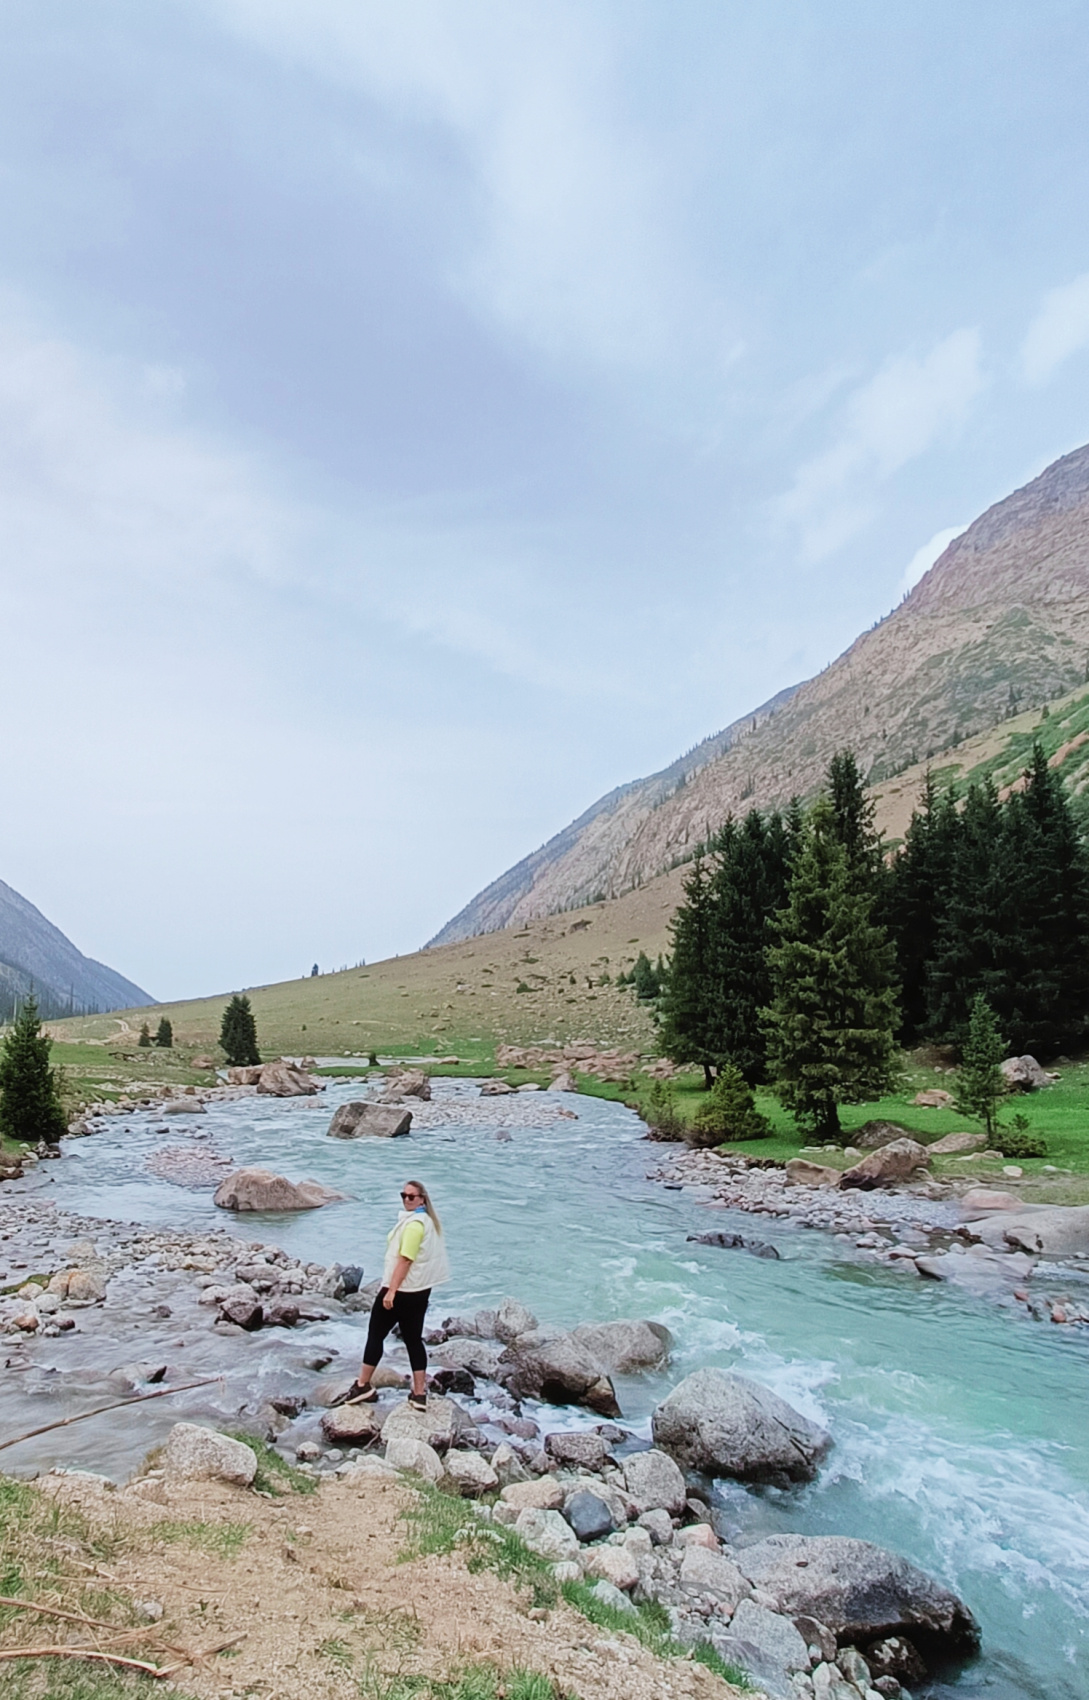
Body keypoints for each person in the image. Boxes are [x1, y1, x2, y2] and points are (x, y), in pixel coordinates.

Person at [335, 1179, 450, 1412]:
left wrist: (391, 1292)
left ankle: (363, 1385)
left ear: (422, 1199)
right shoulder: (428, 1222)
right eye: (403, 1195)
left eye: (411, 1196)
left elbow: (405, 1259)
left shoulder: (414, 1225)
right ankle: (419, 1394)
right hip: (420, 1291)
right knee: (413, 1339)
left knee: (375, 1335)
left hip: (401, 1290)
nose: (406, 1199)